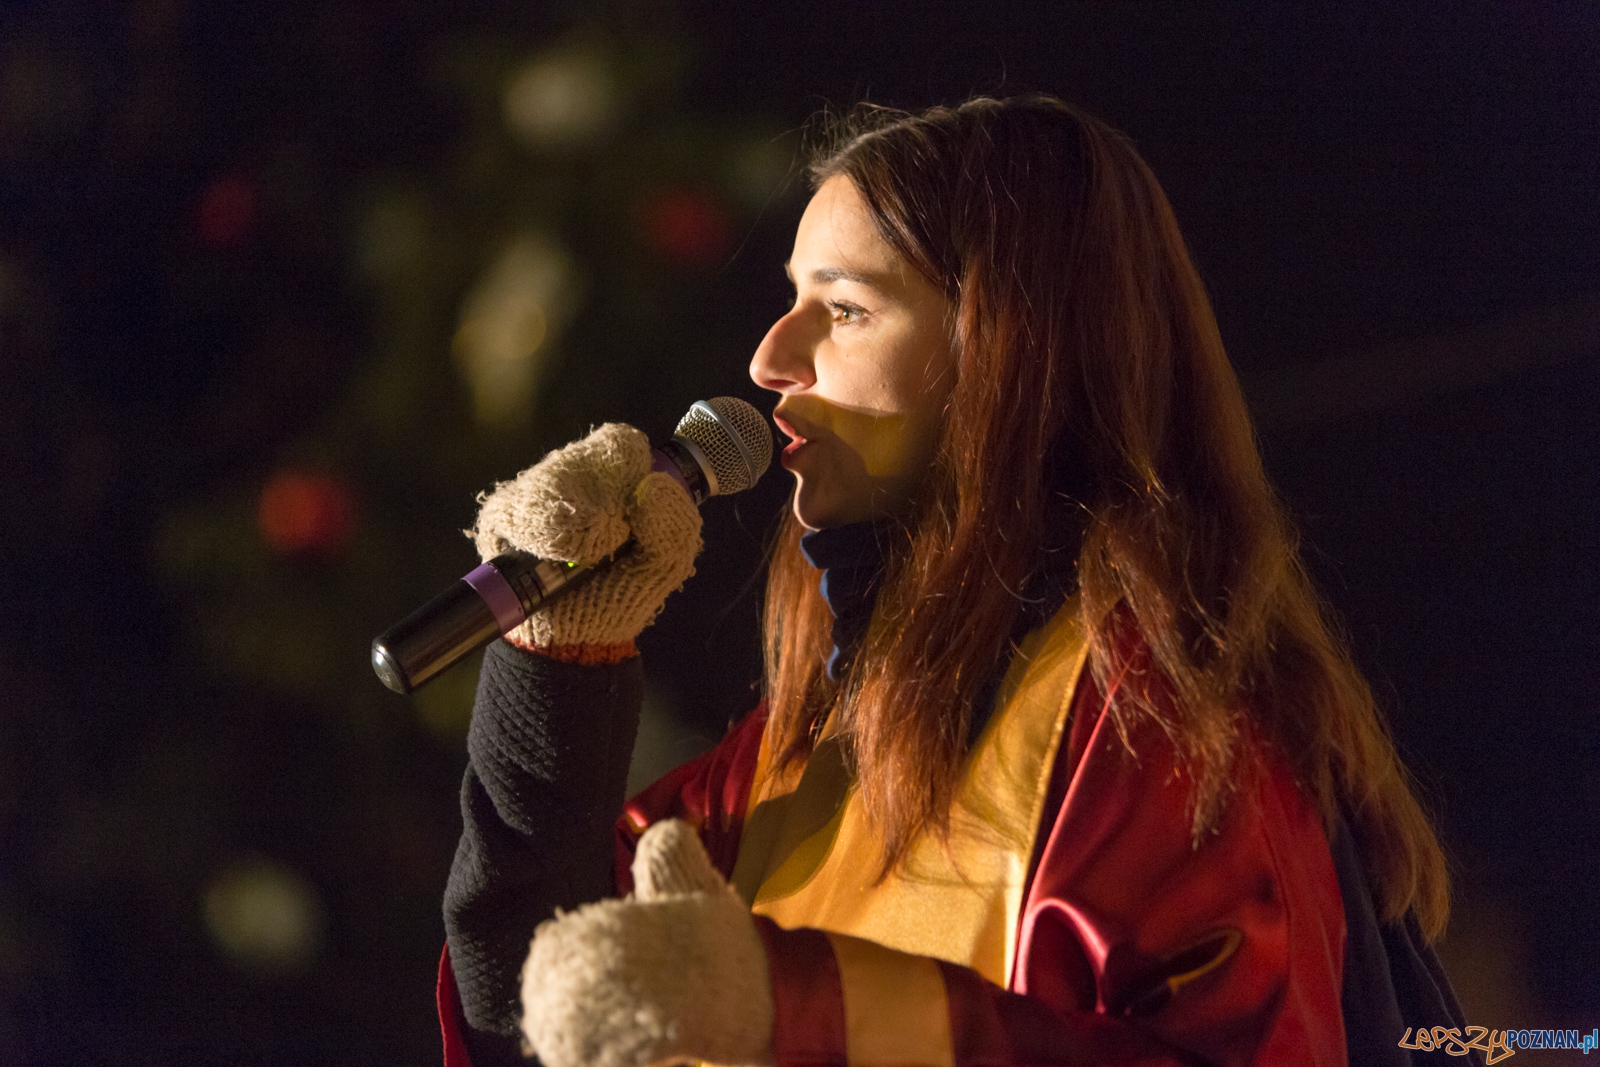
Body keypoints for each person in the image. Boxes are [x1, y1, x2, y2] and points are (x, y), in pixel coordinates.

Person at [437, 96, 1474, 1067]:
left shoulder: (1163, 717)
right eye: (791, 298)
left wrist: (800, 1005)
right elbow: (534, 1014)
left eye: (844, 308)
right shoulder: (794, 754)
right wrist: (554, 672)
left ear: (1009, 350)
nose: (768, 357)